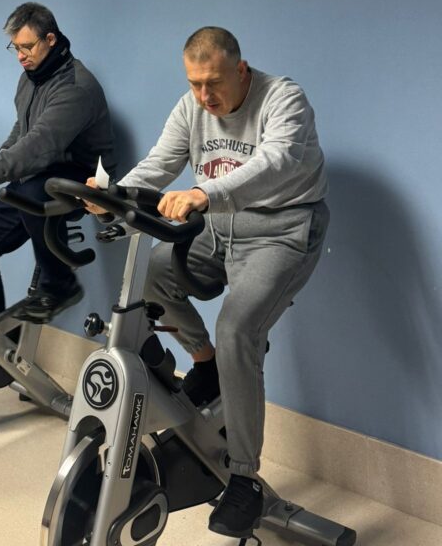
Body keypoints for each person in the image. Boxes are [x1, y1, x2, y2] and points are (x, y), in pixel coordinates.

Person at [86, 26, 329, 540]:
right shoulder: (191, 106)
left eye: (213, 82)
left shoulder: (283, 98)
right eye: (194, 83)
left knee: (238, 329)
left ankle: (243, 478)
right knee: (155, 272)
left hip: (281, 231)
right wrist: (113, 195)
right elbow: (160, 163)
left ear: (240, 70)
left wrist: (204, 193)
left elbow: (276, 161)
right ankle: (205, 363)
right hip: (217, 228)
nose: (204, 96)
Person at [0, 2, 116, 322]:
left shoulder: (76, 87)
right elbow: (22, 130)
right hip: (38, 174)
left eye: (26, 46)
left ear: (50, 39)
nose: (20, 56)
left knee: (31, 191)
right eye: (15, 47)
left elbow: (42, 143)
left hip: (81, 176)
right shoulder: (30, 78)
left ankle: (61, 285)